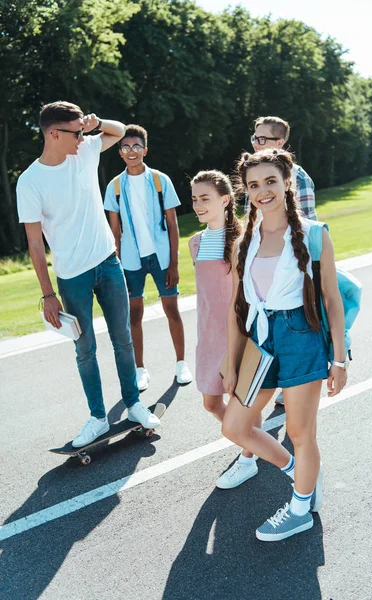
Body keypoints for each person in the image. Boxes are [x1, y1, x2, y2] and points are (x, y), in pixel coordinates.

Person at [16, 101, 160, 448]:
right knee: (85, 349)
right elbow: (35, 244)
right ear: (54, 134)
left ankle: (134, 405)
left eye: (83, 131)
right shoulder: (29, 182)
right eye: (77, 132)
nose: (84, 137)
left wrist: (95, 121)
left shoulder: (85, 150)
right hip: (71, 276)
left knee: (123, 340)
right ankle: (97, 418)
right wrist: (48, 294)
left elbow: (120, 129)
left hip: (108, 263)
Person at [221, 149, 347, 542]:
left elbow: (331, 300)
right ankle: (299, 471)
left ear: (287, 181)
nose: (263, 191)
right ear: (247, 191)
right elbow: (236, 307)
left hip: (300, 337)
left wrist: (339, 360)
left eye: (270, 181)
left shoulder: (314, 233)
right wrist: (231, 359)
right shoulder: (245, 240)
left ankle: (299, 509)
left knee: (300, 429)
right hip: (259, 339)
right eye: (254, 185)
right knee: (235, 426)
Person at [104, 124, 192, 391]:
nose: (132, 151)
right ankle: (140, 369)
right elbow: (114, 233)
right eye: (126, 147)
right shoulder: (115, 186)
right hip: (131, 261)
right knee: (134, 315)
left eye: (136, 146)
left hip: (162, 257)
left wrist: (174, 262)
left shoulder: (159, 180)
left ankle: (181, 364)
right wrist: (117, 266)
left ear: (145, 149)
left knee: (171, 310)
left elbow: (173, 224)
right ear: (120, 152)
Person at [189, 170, 258, 489]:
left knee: (240, 401)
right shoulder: (194, 243)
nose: (198, 204)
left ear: (225, 200)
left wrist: (236, 347)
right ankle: (253, 438)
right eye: (194, 199)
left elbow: (240, 298)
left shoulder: (241, 241)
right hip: (207, 335)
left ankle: (248, 456)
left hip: (238, 334)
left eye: (205, 198)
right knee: (211, 403)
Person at [252, 115, 317, 406]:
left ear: (280, 143)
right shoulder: (253, 174)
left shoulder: (297, 177)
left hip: (292, 270)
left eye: (262, 139)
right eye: (254, 138)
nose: (256, 143)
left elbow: (307, 228)